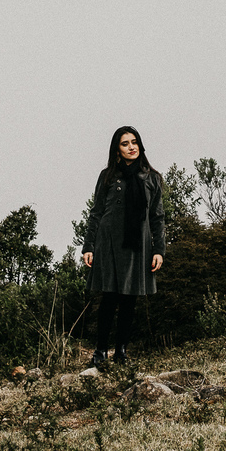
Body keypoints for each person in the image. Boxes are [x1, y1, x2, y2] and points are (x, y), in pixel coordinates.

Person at [81, 125, 166, 366]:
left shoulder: (152, 178)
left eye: (134, 142)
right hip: (108, 244)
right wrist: (88, 245)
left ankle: (121, 352)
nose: (131, 147)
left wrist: (159, 249)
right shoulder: (108, 176)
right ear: (117, 150)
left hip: (138, 246)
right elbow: (96, 212)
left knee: (130, 299)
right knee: (109, 298)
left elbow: (157, 217)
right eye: (125, 143)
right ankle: (100, 351)